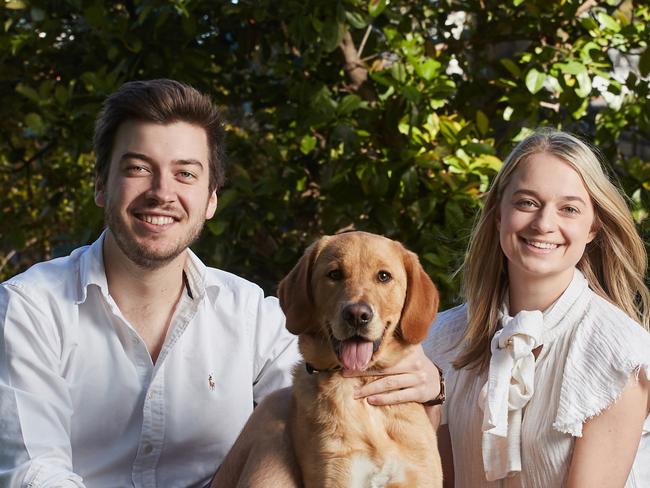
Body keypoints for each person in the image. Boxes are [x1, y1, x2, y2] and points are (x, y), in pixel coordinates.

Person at [0, 79, 301, 487]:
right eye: (138, 168)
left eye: (185, 174)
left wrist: (418, 388)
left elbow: (338, 405)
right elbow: (32, 472)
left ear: (211, 198)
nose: (162, 192)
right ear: (101, 185)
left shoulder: (249, 314)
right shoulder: (30, 307)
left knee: (290, 409)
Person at [424, 128, 650, 487]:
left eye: (569, 209)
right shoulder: (439, 341)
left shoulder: (620, 356)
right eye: (527, 202)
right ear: (498, 214)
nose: (544, 224)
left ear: (594, 227)